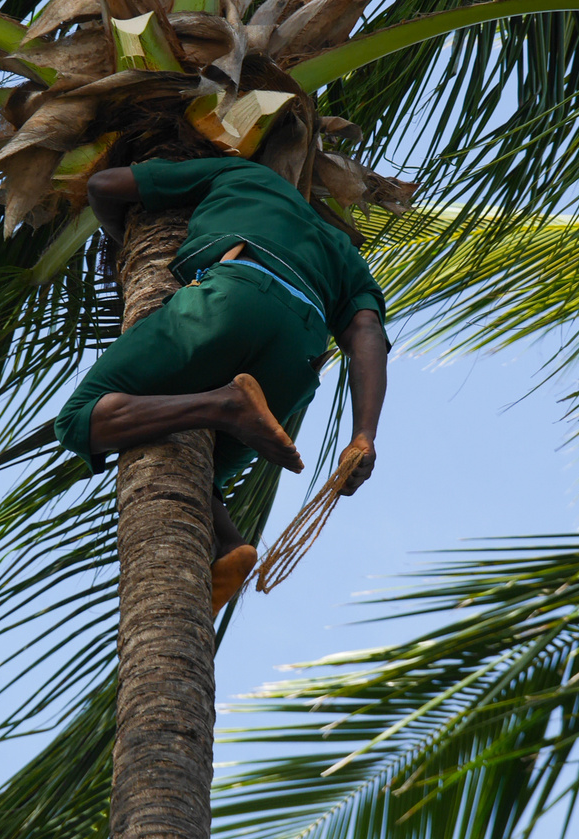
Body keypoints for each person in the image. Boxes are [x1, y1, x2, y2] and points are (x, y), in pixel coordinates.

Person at [54, 153, 389, 614]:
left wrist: (124, 246)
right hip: (297, 359)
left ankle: (222, 406)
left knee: (79, 419)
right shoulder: (341, 248)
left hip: (234, 298)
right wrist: (363, 436)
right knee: (202, 469)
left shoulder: (243, 173)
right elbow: (366, 333)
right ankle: (230, 544)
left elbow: (104, 185)